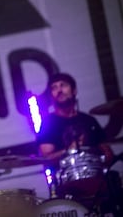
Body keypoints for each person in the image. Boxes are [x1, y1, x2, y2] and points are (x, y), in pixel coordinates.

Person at [36, 72, 120, 214]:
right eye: (54, 88)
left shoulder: (88, 120)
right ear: (51, 95)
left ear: (74, 91)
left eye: (63, 85)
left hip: (97, 180)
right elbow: (46, 157)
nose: (59, 90)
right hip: (67, 183)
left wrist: (106, 155)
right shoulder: (48, 123)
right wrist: (69, 151)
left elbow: (107, 152)